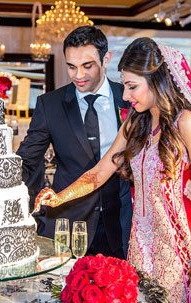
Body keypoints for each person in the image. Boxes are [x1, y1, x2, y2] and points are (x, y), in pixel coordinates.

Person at [35, 37, 191, 302]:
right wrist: (59, 197)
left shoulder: (188, 124)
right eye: (125, 86)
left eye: (132, 87)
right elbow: (100, 172)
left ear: (157, 82)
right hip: (140, 240)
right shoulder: (136, 124)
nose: (125, 96)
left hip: (178, 244)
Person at [17, 26, 132, 259]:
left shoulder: (130, 99)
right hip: (69, 221)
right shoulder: (50, 105)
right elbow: (27, 161)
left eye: (87, 66)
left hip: (121, 220)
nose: (78, 75)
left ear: (106, 59)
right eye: (71, 66)